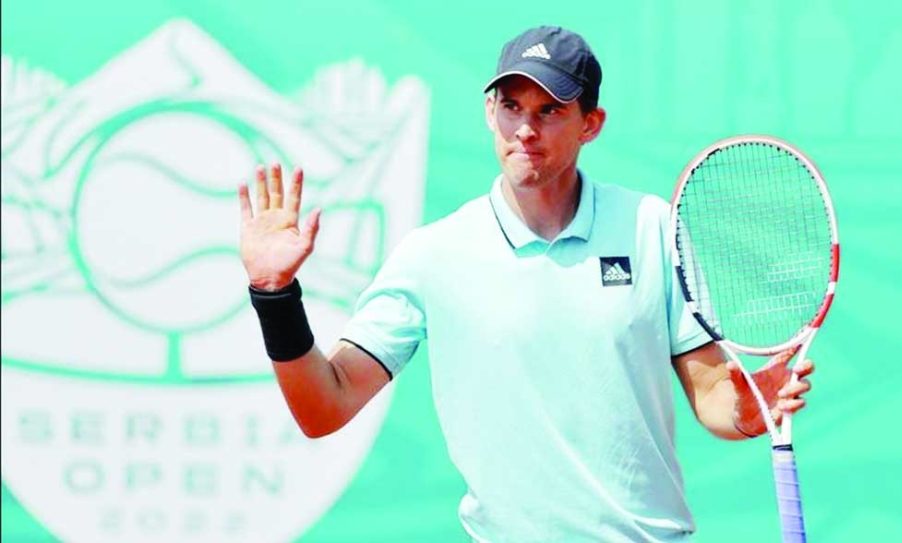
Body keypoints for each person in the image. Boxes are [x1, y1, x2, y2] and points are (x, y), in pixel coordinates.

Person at [238, 25, 814, 543]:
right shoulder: (433, 253)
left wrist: (749, 406)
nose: (526, 130)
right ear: (491, 113)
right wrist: (274, 296)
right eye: (512, 107)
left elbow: (714, 399)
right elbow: (325, 406)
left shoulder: (650, 227)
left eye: (551, 110)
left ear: (591, 124)